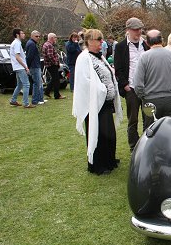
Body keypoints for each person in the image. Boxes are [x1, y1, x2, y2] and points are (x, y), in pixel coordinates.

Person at [72, 29, 123, 175]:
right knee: (98, 134)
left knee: (109, 134)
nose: (102, 42)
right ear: (89, 41)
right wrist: (103, 90)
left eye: (102, 39)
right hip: (95, 104)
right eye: (98, 39)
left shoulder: (99, 56)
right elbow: (85, 82)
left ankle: (109, 160)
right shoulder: (84, 58)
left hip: (105, 103)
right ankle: (98, 165)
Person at [133, 29, 171, 127]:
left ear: (147, 42)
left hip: (150, 100)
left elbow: (137, 84)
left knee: (151, 131)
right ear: (161, 40)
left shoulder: (144, 57)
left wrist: (143, 96)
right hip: (169, 99)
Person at [114, 17, 149, 152]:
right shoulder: (121, 46)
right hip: (131, 89)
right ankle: (133, 145)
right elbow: (118, 69)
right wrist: (125, 85)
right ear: (128, 30)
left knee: (148, 118)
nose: (138, 32)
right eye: (135, 29)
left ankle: (147, 144)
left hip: (146, 88)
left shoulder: (145, 44)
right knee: (133, 119)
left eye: (140, 29)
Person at [9, 28, 35, 108]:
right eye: (22, 33)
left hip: (17, 67)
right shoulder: (17, 43)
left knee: (19, 85)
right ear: (17, 35)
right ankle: (26, 103)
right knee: (26, 84)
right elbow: (17, 57)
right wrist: (25, 67)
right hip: (20, 67)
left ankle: (13, 100)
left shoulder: (15, 43)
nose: (24, 34)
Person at [42, 32, 66, 99]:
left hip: (49, 65)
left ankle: (47, 91)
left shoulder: (46, 44)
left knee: (54, 79)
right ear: (52, 38)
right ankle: (57, 95)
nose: (56, 39)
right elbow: (50, 56)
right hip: (52, 65)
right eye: (55, 37)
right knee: (56, 80)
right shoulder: (49, 45)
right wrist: (56, 63)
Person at [26, 30, 45, 105]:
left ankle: (40, 99)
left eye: (39, 36)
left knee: (39, 83)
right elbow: (29, 57)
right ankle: (35, 100)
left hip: (35, 65)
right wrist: (28, 66)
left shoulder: (32, 43)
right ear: (32, 36)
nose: (38, 38)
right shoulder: (31, 44)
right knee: (37, 83)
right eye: (36, 36)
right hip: (34, 66)